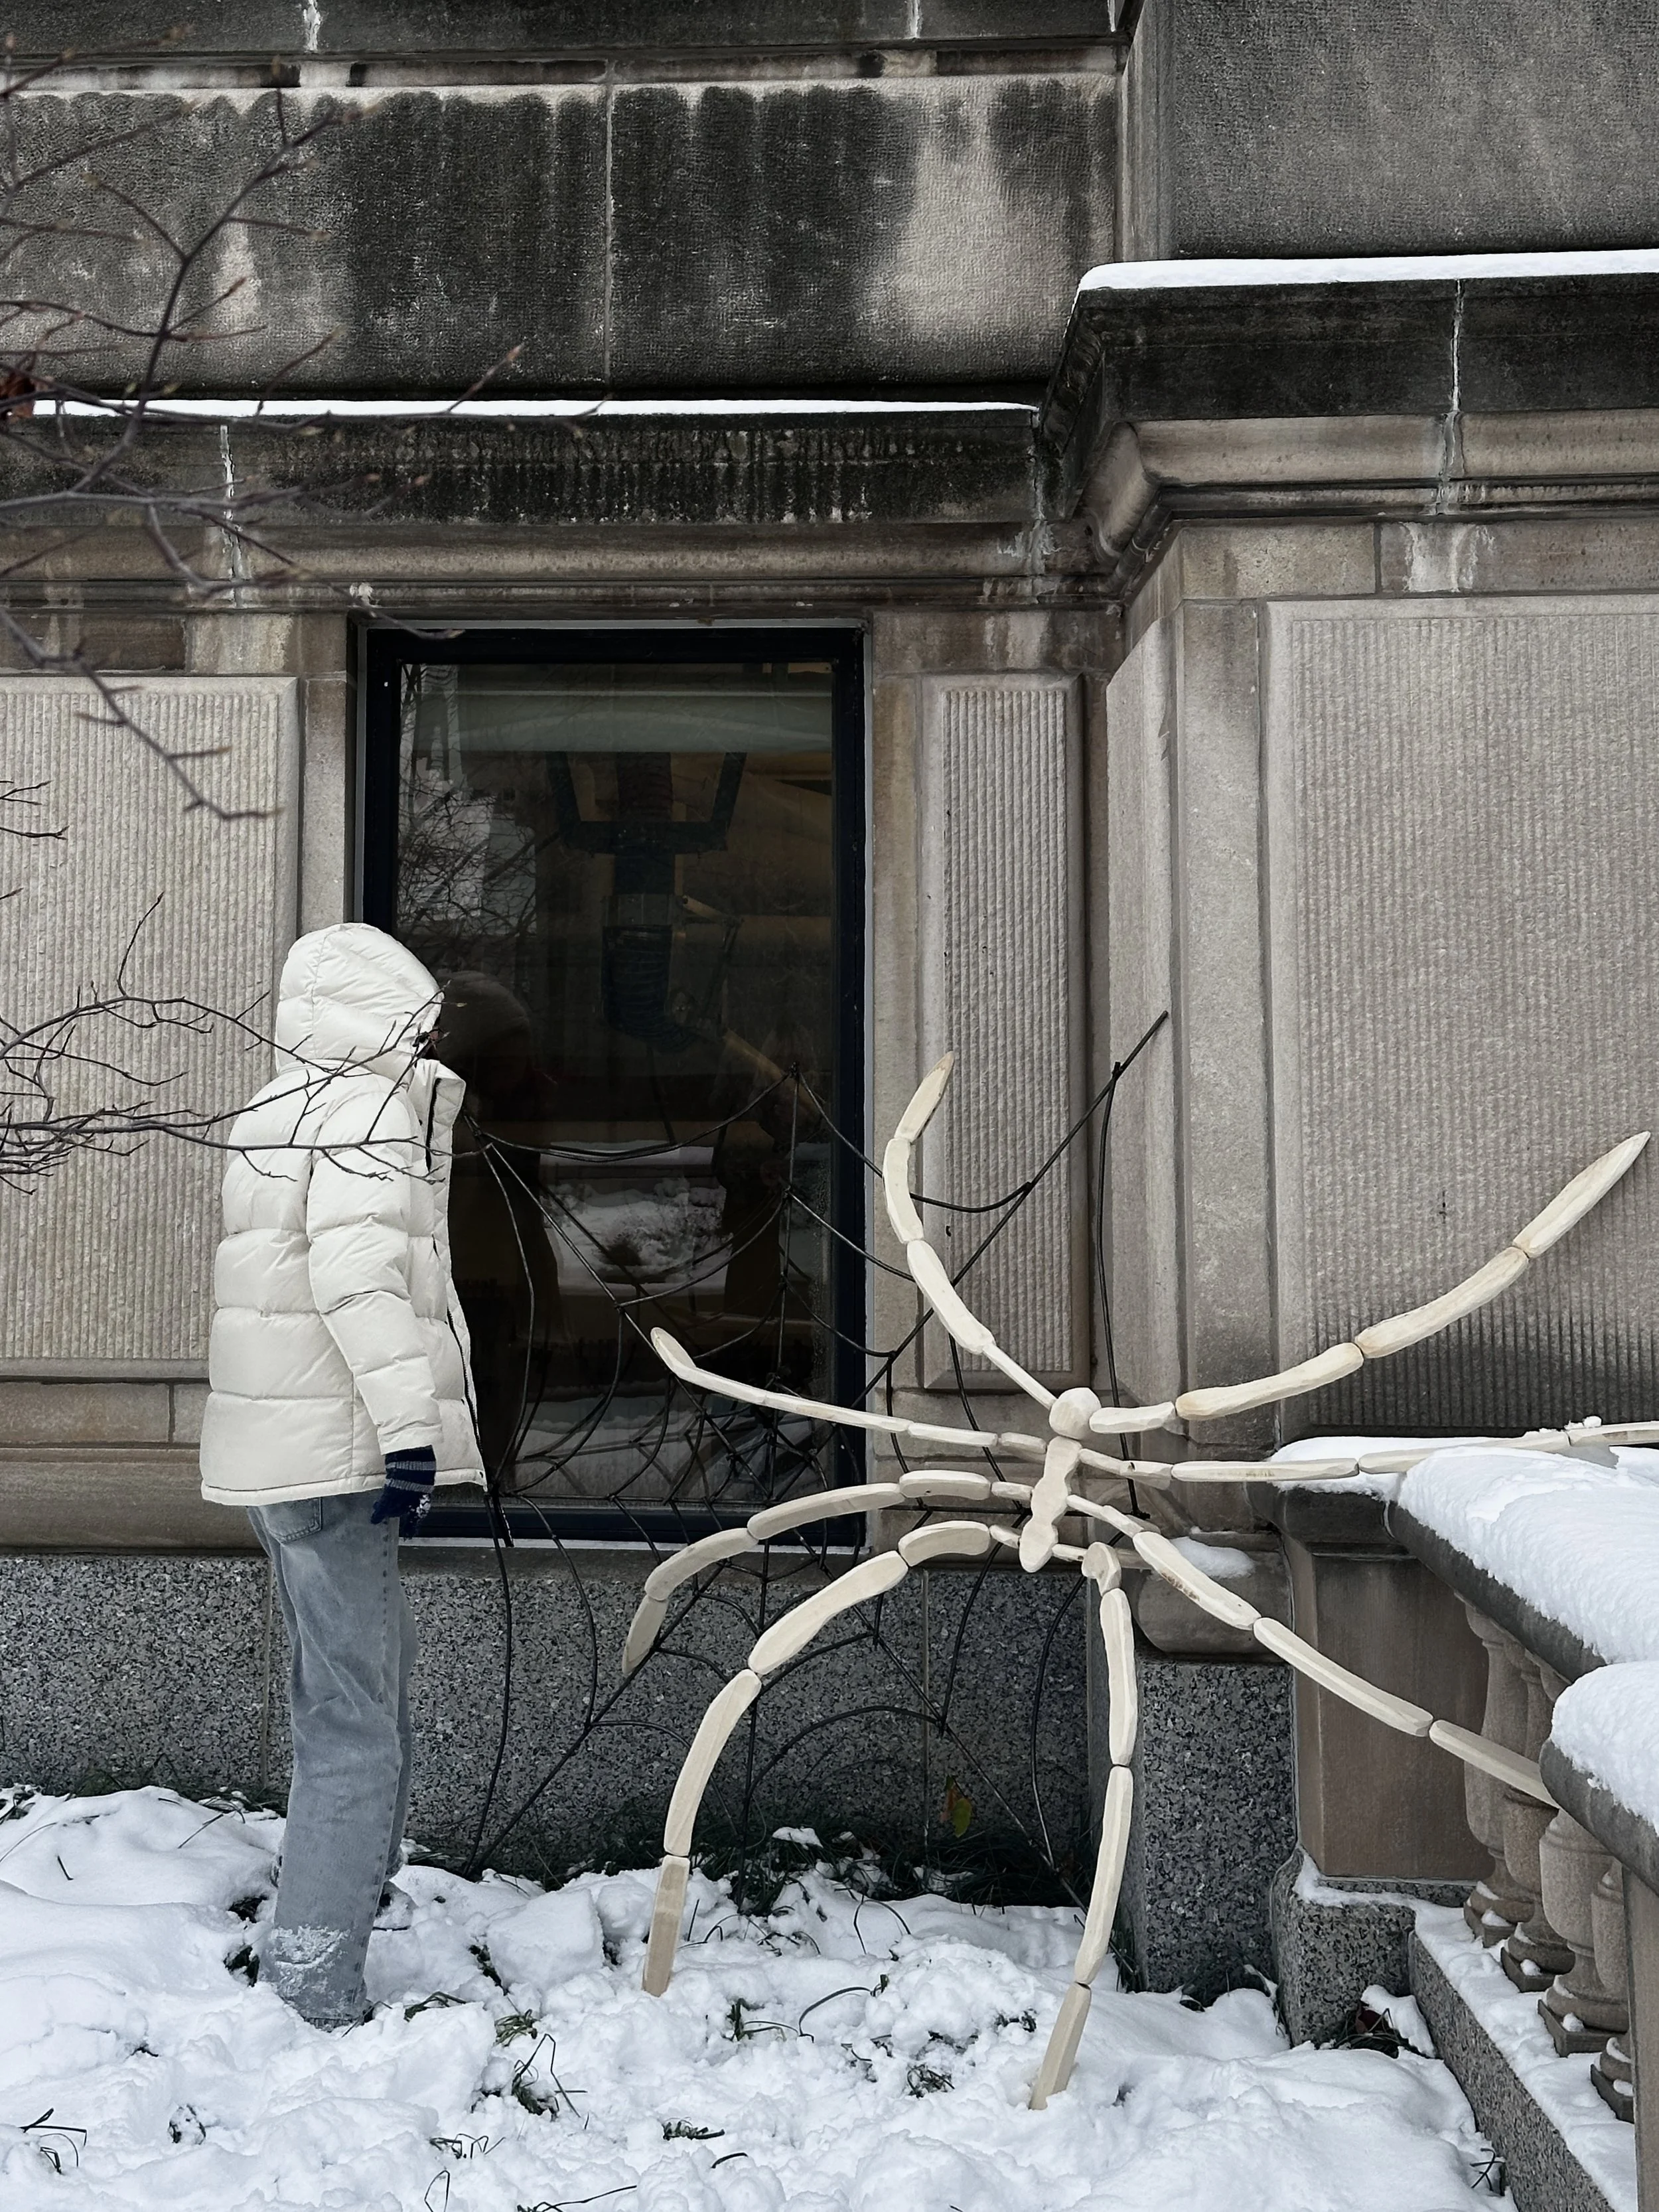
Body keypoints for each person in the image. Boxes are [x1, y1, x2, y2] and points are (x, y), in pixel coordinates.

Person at [198, 922, 484, 2028]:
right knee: (357, 1723)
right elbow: (358, 1281)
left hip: (288, 1459)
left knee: (347, 1701)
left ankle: (341, 1910)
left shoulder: (277, 1107)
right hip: (337, 1455)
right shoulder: (364, 1110)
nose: (429, 1034)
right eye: (417, 1016)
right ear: (383, 1009)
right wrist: (408, 1433)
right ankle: (314, 1978)